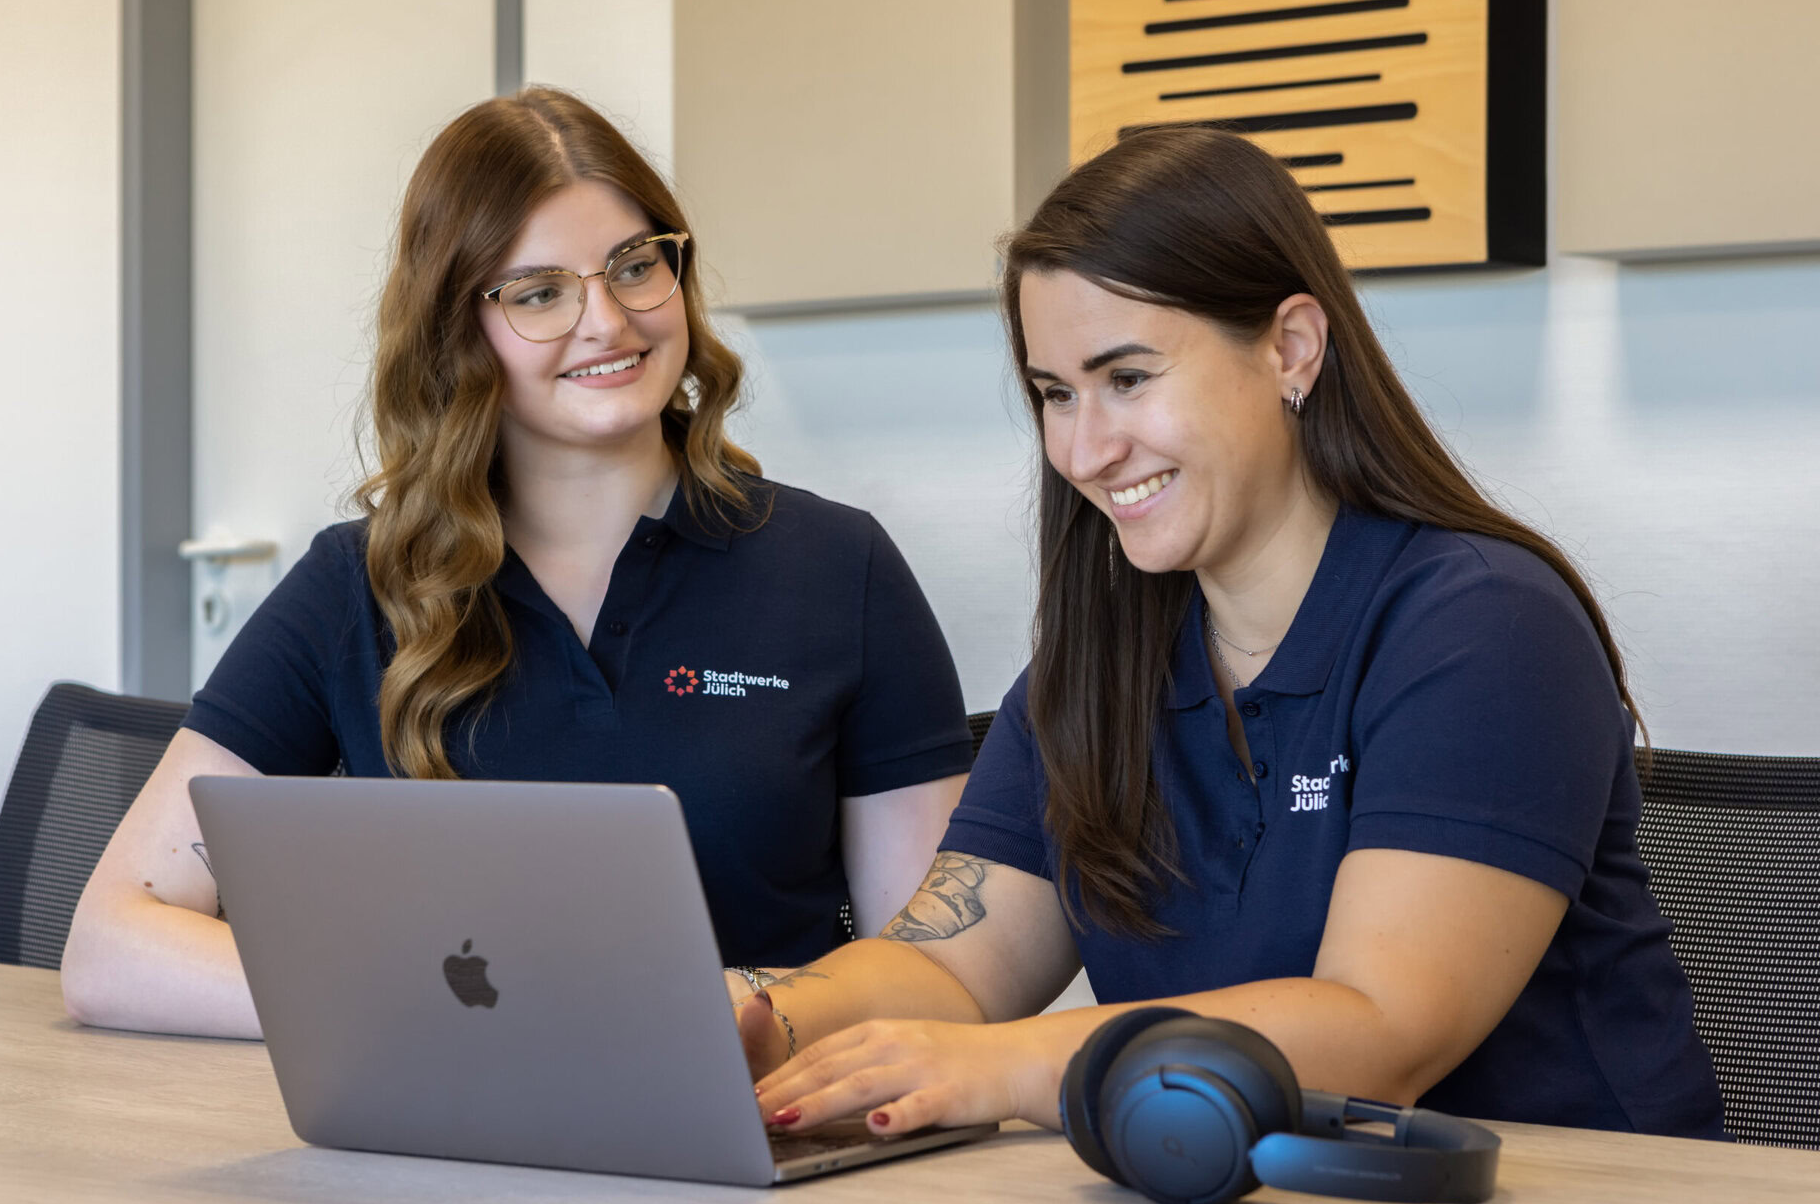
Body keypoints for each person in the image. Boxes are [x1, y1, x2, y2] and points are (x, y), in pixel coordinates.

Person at [739, 126, 1725, 1142]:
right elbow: (947, 962)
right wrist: (768, 1022)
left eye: (1129, 377)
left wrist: (1004, 1062)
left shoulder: (1485, 627)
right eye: (1054, 394)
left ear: (1290, 348)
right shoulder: (1100, 663)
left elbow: (1383, 1029)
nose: (1085, 447)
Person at [60, 87, 972, 1039]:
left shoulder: (838, 567)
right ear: (459, 333)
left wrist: (704, 1018)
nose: (607, 321)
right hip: (441, 1140)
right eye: (539, 292)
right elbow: (111, 945)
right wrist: (436, 1005)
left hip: (759, 1122)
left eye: (634, 266)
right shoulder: (357, 585)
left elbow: (934, 972)